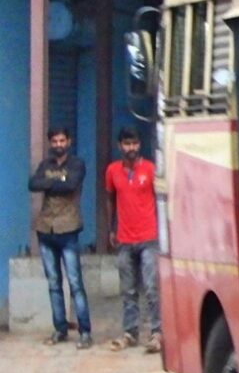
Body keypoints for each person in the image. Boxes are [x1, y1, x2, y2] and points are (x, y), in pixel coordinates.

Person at [28, 126, 92, 348]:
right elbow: (33, 184)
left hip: (68, 228)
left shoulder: (77, 164)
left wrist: (51, 183)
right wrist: (57, 183)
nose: (58, 145)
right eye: (54, 141)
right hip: (46, 229)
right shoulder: (45, 164)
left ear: (69, 141)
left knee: (75, 282)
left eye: (61, 140)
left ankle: (85, 332)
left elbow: (71, 184)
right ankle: (60, 329)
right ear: (50, 143)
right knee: (54, 283)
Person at [104, 127, 161, 354]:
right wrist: (111, 228)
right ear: (120, 146)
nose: (131, 148)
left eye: (135, 143)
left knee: (151, 287)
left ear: (140, 144)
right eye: (127, 144)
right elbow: (110, 200)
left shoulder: (150, 169)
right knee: (128, 290)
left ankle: (157, 333)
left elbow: (160, 199)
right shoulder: (112, 171)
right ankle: (131, 332)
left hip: (149, 237)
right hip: (124, 238)